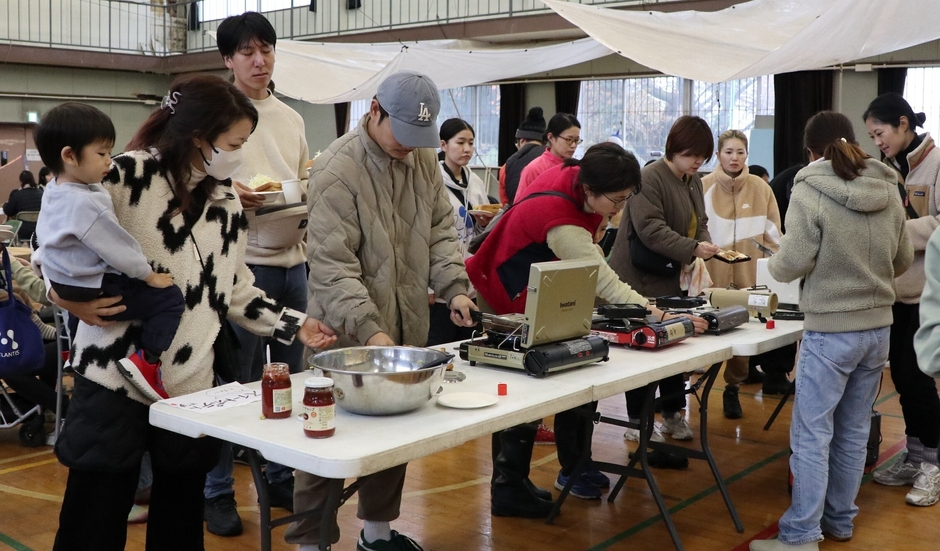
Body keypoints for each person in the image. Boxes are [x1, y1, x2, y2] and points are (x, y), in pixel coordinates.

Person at [49, 74, 336, 551]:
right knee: (93, 518)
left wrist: (296, 324)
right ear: (198, 137)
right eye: (234, 142)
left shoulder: (225, 201)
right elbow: (55, 238)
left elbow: (236, 289)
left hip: (189, 386)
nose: (239, 153)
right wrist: (65, 297)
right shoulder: (123, 176)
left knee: (181, 518)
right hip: (113, 378)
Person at [466, 142, 708, 515]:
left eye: (627, 198)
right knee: (526, 393)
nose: (620, 209)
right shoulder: (562, 222)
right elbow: (604, 281)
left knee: (575, 373)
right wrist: (656, 314)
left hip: (543, 286)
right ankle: (508, 488)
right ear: (590, 190)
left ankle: (571, 467)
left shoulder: (577, 179)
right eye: (616, 200)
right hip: (507, 292)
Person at [289, 70, 475, 551]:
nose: (409, 148)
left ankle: (376, 534)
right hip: (343, 334)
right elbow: (332, 268)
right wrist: (371, 334)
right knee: (326, 439)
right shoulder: (335, 169)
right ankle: (312, 543)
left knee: (394, 429)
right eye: (403, 134)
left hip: (404, 322)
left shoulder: (421, 163)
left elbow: (440, 232)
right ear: (374, 110)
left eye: (420, 139)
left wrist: (454, 288)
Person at [750, 111, 913, 551]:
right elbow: (901, 260)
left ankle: (802, 534)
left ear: (810, 151)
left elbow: (792, 262)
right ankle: (840, 520)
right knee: (853, 430)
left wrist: (777, 256)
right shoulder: (888, 184)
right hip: (878, 327)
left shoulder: (808, 186)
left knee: (811, 433)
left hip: (831, 329)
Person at [202, 11, 312, 534]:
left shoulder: (290, 117)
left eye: (266, 48)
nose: (259, 60)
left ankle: (280, 471)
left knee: (289, 377)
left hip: (294, 265)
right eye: (246, 52)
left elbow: (304, 178)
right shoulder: (215, 115)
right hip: (241, 270)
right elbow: (191, 181)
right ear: (228, 59)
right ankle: (217, 490)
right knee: (236, 385)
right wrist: (228, 194)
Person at [32, 102, 185, 403]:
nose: (110, 162)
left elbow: (42, 239)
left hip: (64, 280)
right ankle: (148, 361)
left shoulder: (55, 189)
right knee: (170, 299)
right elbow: (119, 249)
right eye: (102, 154)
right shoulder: (86, 205)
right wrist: (149, 275)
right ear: (69, 155)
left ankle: (77, 355)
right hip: (90, 284)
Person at [608, 115, 720, 443]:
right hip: (638, 278)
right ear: (673, 148)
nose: (697, 161)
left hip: (673, 277)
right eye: (691, 154)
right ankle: (636, 423)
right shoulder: (649, 177)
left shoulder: (694, 180)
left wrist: (704, 242)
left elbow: (700, 221)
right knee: (643, 350)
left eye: (702, 156)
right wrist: (694, 248)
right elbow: (650, 230)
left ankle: (672, 415)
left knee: (674, 346)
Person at [862, 92, 940, 504]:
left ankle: (933, 465)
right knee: (906, 380)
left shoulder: (937, 162)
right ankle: (915, 455)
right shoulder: (884, 170)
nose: (878, 141)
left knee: (920, 379)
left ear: (904, 124)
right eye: (872, 136)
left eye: (881, 133)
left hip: (927, 294)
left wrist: (895, 234)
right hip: (891, 291)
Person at [701, 129, 782, 419]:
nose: (734, 158)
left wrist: (772, 270)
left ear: (747, 154)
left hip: (749, 276)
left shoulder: (762, 189)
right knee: (701, 335)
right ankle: (690, 392)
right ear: (718, 155)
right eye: (728, 152)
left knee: (743, 336)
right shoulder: (703, 186)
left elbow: (774, 236)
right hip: (711, 275)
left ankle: (732, 389)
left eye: (740, 152)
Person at [427, 118, 490, 346]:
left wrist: (483, 223)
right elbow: (425, 235)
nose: (467, 149)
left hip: (470, 275)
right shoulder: (432, 181)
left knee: (469, 343)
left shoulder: (474, 181)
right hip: (440, 280)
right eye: (460, 142)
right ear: (443, 145)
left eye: (471, 143)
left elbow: (478, 231)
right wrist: (427, 285)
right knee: (440, 343)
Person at [515, 112, 580, 198]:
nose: (573, 146)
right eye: (569, 140)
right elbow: (520, 206)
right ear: (551, 137)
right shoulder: (534, 169)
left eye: (576, 141)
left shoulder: (576, 168)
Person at [498, 106, 547, 204]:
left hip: (517, 216)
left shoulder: (506, 167)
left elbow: (505, 204)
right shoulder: (552, 160)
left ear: (522, 140)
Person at [3, 170, 43, 243]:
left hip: (22, 230)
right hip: (39, 230)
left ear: (21, 181)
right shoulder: (41, 194)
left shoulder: (17, 195)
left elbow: (8, 211)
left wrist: (5, 204)